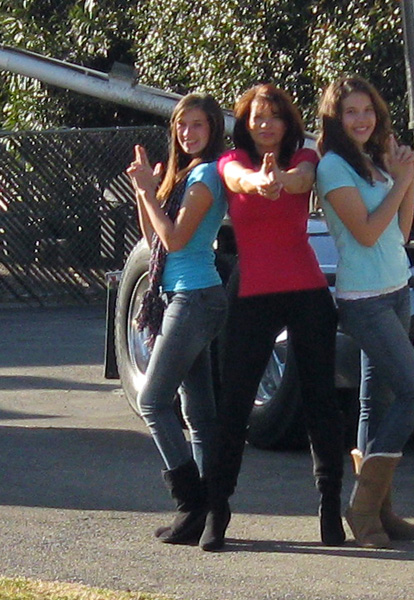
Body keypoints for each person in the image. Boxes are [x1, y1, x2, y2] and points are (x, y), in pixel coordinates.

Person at [199, 83, 345, 552]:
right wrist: (260, 183)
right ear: (245, 123)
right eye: (257, 117)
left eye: (274, 116)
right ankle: (217, 509)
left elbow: (301, 181)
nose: (265, 124)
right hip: (252, 293)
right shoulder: (230, 161)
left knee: (321, 401)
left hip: (306, 290)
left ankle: (330, 506)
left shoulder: (305, 158)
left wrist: (280, 179)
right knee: (234, 404)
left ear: (288, 123)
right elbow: (240, 179)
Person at [316, 75, 414, 548]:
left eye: (367, 110)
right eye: (351, 112)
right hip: (364, 300)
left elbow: (399, 233)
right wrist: (402, 180)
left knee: (376, 402)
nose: (361, 119)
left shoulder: (373, 160)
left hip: (396, 289)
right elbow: (365, 233)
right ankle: (362, 506)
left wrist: (406, 178)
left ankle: (379, 513)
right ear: (336, 119)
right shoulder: (332, 167)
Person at [126, 93, 228, 544]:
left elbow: (177, 239)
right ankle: (208, 511)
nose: (188, 133)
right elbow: (153, 241)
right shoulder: (184, 174)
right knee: (198, 413)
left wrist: (150, 192)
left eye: (198, 125)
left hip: (195, 298)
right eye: (182, 125)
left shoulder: (206, 175)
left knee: (152, 401)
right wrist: (143, 191)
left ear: (213, 129)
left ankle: (191, 503)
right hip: (179, 297)